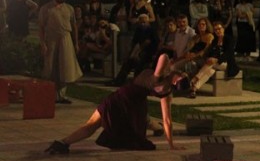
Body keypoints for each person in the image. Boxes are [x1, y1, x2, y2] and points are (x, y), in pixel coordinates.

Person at [44, 54, 188, 154]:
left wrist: (171, 67)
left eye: (180, 76)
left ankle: (63, 143)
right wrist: (171, 145)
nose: (180, 74)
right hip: (134, 107)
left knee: (92, 124)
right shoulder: (167, 93)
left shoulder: (159, 77)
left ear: (175, 81)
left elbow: (163, 57)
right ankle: (63, 143)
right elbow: (167, 120)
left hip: (121, 100)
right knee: (93, 125)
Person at [38, 0, 82, 104]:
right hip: (51, 39)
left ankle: (61, 95)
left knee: (65, 67)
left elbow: (74, 26)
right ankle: (50, 95)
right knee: (51, 67)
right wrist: (42, 43)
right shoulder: (46, 8)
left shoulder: (69, 8)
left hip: (65, 38)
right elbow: (41, 27)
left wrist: (76, 42)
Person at [191, 21, 240, 94]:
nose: (217, 31)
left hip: (227, 64)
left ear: (223, 29)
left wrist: (216, 59)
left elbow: (229, 53)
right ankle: (194, 89)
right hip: (215, 64)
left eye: (219, 29)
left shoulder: (229, 39)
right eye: (216, 30)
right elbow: (209, 51)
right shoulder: (215, 40)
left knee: (210, 64)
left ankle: (195, 79)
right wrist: (209, 57)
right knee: (210, 71)